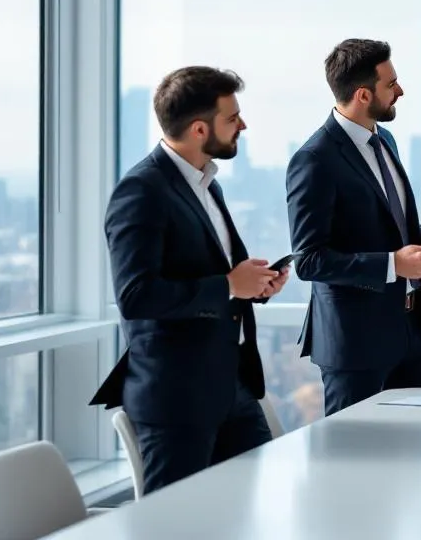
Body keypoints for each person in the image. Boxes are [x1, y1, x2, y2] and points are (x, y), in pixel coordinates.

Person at [90, 67, 288, 493]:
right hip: (176, 397)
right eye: (232, 118)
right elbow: (136, 296)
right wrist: (230, 286)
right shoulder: (141, 191)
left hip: (232, 385)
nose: (243, 125)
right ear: (200, 129)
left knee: (254, 510)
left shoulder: (208, 186)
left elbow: (216, 278)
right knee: (175, 521)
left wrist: (255, 286)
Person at [286, 39, 421, 415]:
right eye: (391, 84)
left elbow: (395, 225)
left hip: (412, 329)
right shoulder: (315, 159)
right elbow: (308, 260)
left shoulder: (384, 140)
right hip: (355, 344)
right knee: (355, 449)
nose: (400, 91)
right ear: (363, 95)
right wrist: (393, 264)